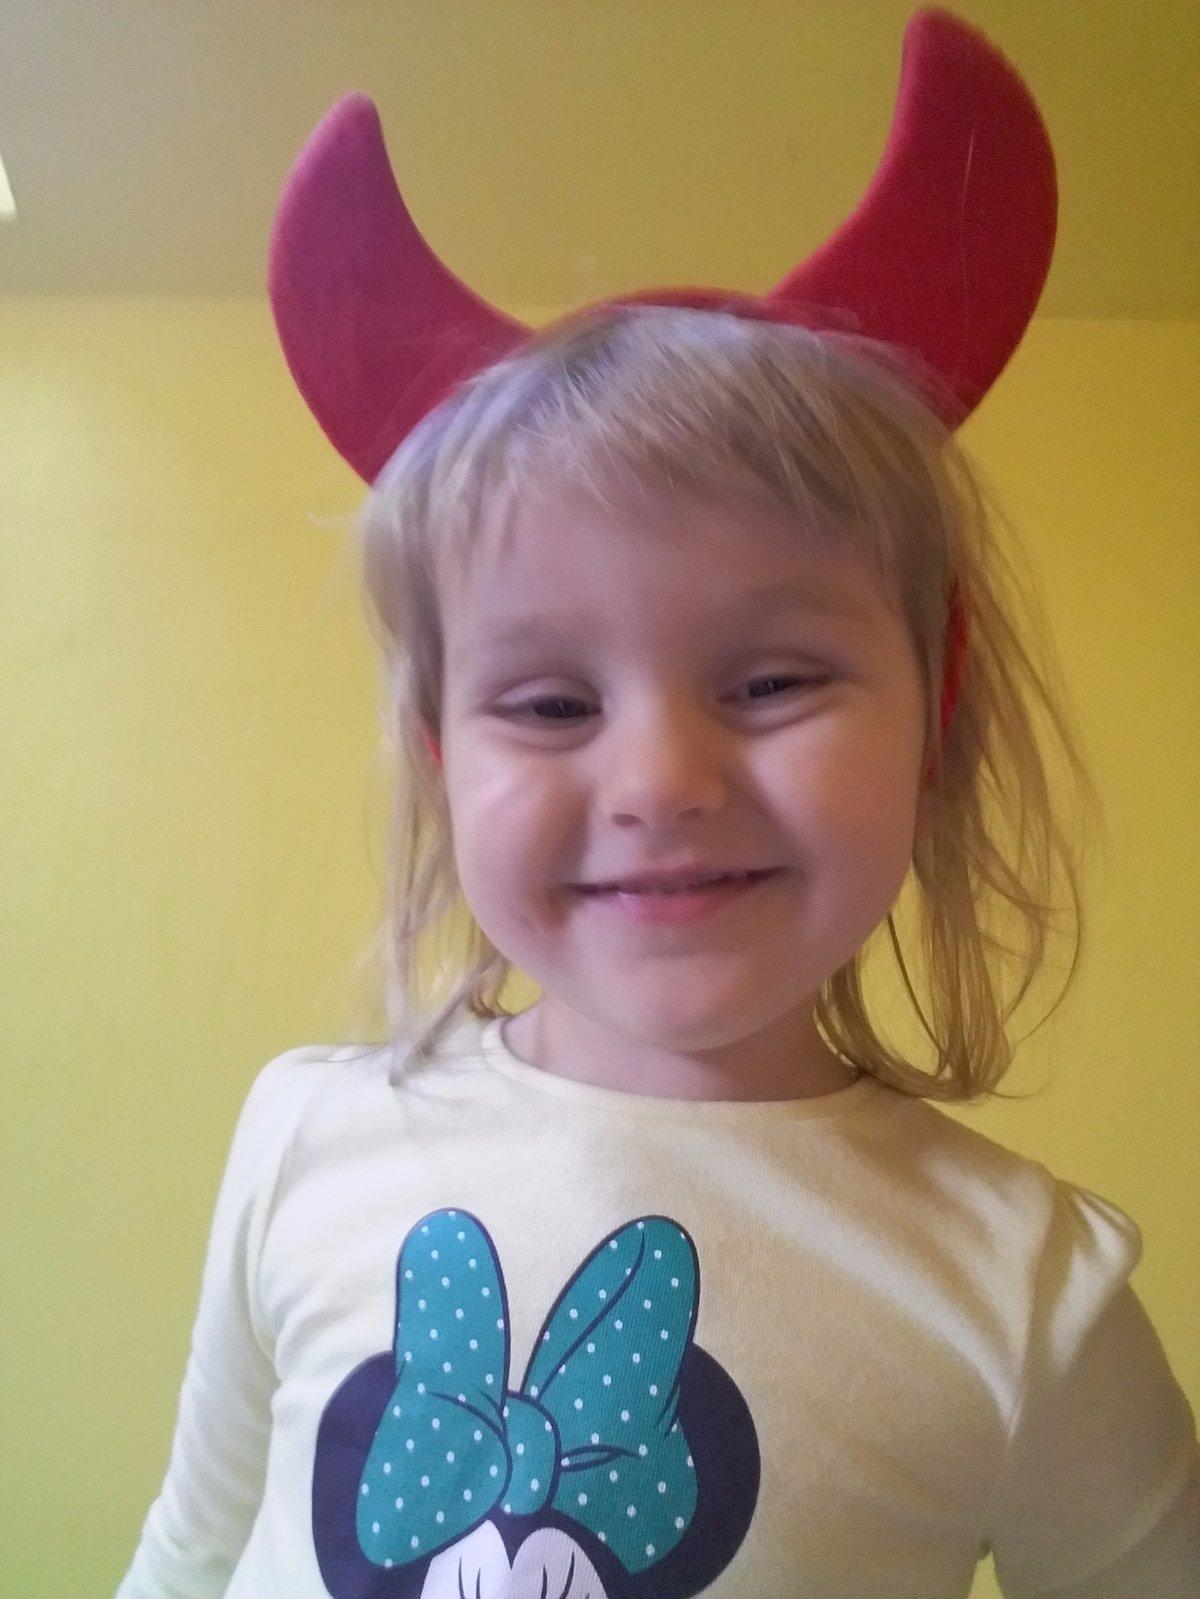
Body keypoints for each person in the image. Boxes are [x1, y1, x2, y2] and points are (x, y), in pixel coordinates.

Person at [115, 10, 1199, 1598]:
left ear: (935, 708)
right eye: (551, 703)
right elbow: (189, 1547)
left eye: (772, 681)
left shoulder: (1031, 1296)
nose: (663, 782)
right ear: (440, 755)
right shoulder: (302, 1140)